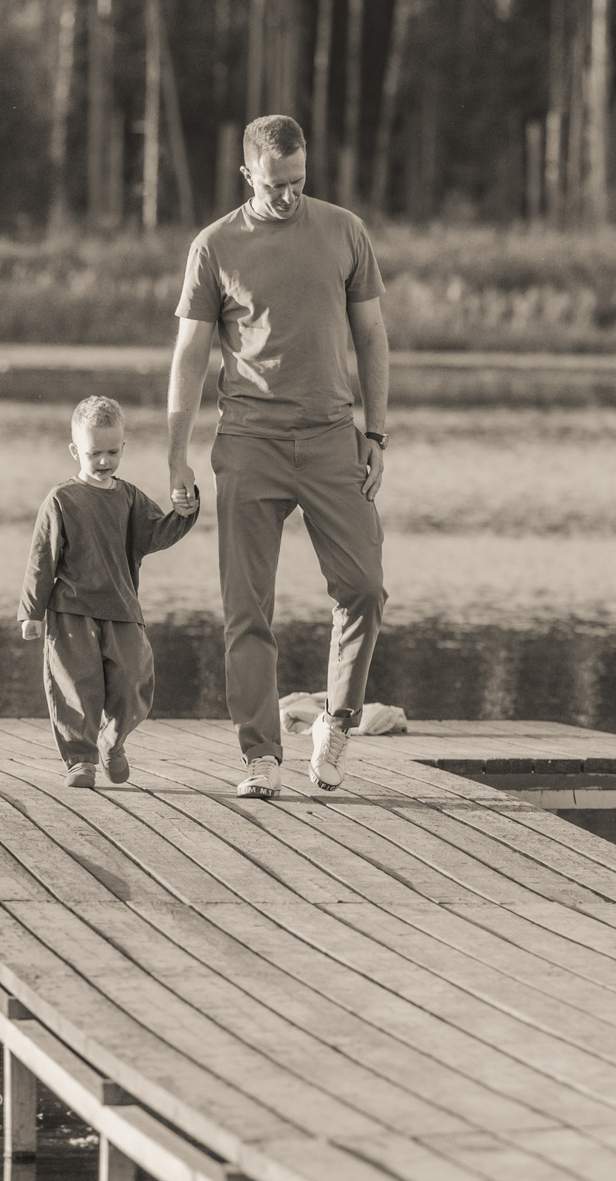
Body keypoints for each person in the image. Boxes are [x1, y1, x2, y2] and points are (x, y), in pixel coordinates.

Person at [165, 114, 391, 799]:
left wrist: (375, 434)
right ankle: (260, 756)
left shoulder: (345, 231)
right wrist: (176, 453)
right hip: (250, 442)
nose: (290, 195)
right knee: (246, 609)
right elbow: (190, 354)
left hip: (330, 437)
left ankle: (337, 722)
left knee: (364, 588)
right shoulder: (215, 246)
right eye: (275, 184)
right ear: (247, 175)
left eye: (298, 181)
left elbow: (374, 339)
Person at [19, 396, 200, 788]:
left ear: (124, 447)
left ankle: (112, 742)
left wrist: (185, 511)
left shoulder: (129, 497)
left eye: (112, 452)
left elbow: (156, 533)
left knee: (135, 680)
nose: (104, 461)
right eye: (94, 453)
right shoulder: (61, 500)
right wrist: (31, 613)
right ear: (75, 451)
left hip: (122, 609)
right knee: (76, 686)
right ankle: (80, 761)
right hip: (71, 612)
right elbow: (41, 558)